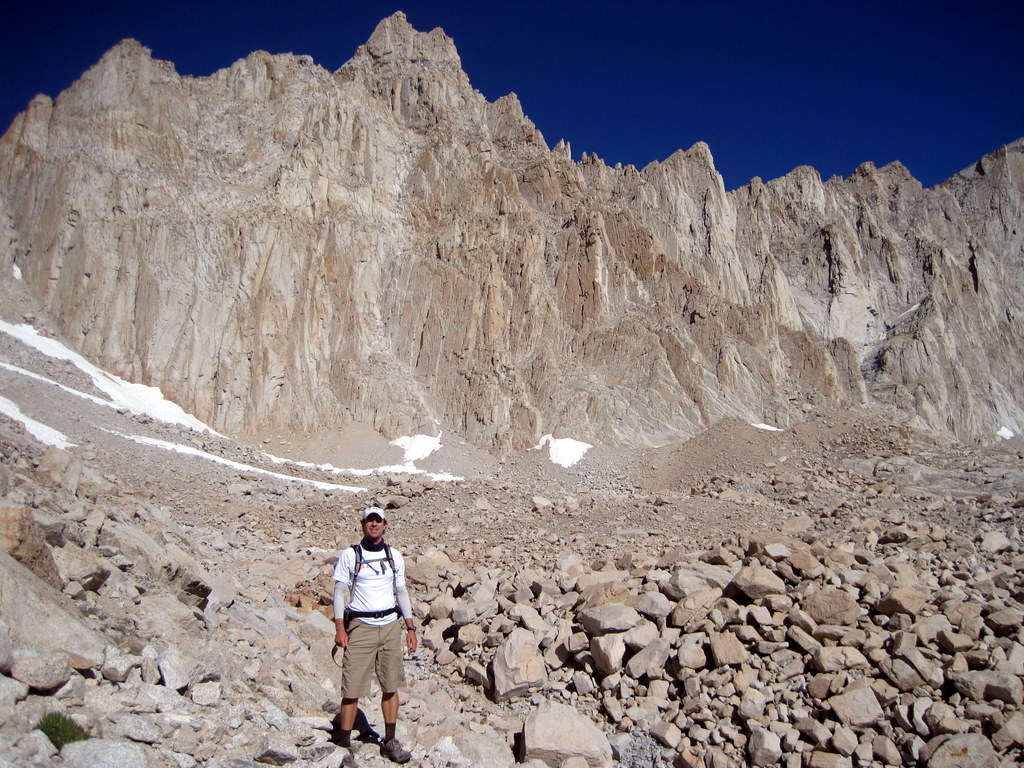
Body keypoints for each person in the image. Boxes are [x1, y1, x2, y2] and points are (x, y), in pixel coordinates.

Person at [333, 507, 417, 765]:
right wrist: (340, 628)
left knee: (390, 685)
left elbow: (401, 592)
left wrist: (410, 627)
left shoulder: (394, 556)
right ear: (363, 524)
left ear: (385, 525)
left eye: (378, 520)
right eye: (370, 520)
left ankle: (390, 741)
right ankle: (344, 744)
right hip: (361, 626)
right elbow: (339, 592)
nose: (374, 524)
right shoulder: (350, 555)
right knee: (352, 687)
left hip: (391, 625)